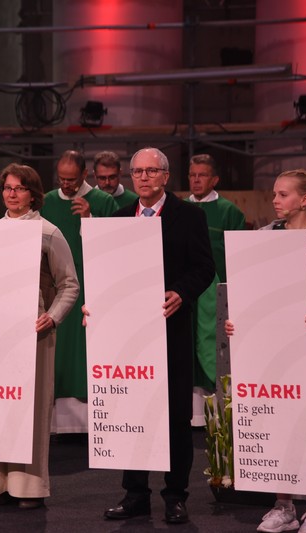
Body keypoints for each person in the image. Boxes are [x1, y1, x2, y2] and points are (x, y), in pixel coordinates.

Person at [86, 147, 214, 524]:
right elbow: (107, 271)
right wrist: (95, 306)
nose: (142, 177)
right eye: (136, 172)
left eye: (150, 171)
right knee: (132, 410)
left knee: (174, 415)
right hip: (127, 333)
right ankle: (135, 494)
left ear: (164, 176)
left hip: (171, 328)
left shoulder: (190, 216)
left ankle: (175, 495)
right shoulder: (120, 216)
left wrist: (181, 291)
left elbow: (204, 267)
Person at [225, 169, 306, 533]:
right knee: (277, 425)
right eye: (275, 195)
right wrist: (238, 322)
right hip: (270, 350)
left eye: (283, 195)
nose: (275, 201)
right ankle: (283, 506)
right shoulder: (264, 238)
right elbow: (249, 293)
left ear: (304, 199)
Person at [0, 163, 79, 509]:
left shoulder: (48, 231)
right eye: (7, 188)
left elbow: (69, 285)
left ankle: (29, 487)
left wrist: (52, 318)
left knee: (30, 409)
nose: (12, 194)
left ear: (33, 193)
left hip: (32, 335)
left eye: (19, 188)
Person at [40, 149, 117, 433]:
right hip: (54, 288)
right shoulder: (47, 201)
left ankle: (90, 424)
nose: (66, 184)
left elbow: (115, 246)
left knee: (84, 351)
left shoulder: (103, 201)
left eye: (71, 179)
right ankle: (56, 424)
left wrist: (90, 218)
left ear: (85, 175)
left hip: (90, 283)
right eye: (61, 178)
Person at [185, 154, 246, 424]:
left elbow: (237, 255)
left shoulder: (230, 212)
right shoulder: (179, 209)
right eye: (192, 175)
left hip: (216, 292)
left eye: (202, 175)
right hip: (184, 291)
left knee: (211, 346)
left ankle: (218, 412)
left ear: (214, 179)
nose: (196, 180)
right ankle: (190, 413)